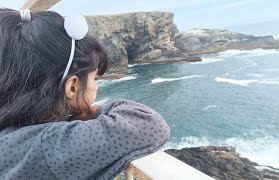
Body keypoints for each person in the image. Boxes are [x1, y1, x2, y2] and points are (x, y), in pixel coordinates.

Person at [0, 8, 170, 180]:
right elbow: (150, 126)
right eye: (94, 79)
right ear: (72, 86)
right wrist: (93, 112)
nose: (96, 87)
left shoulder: (12, 134)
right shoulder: (49, 146)